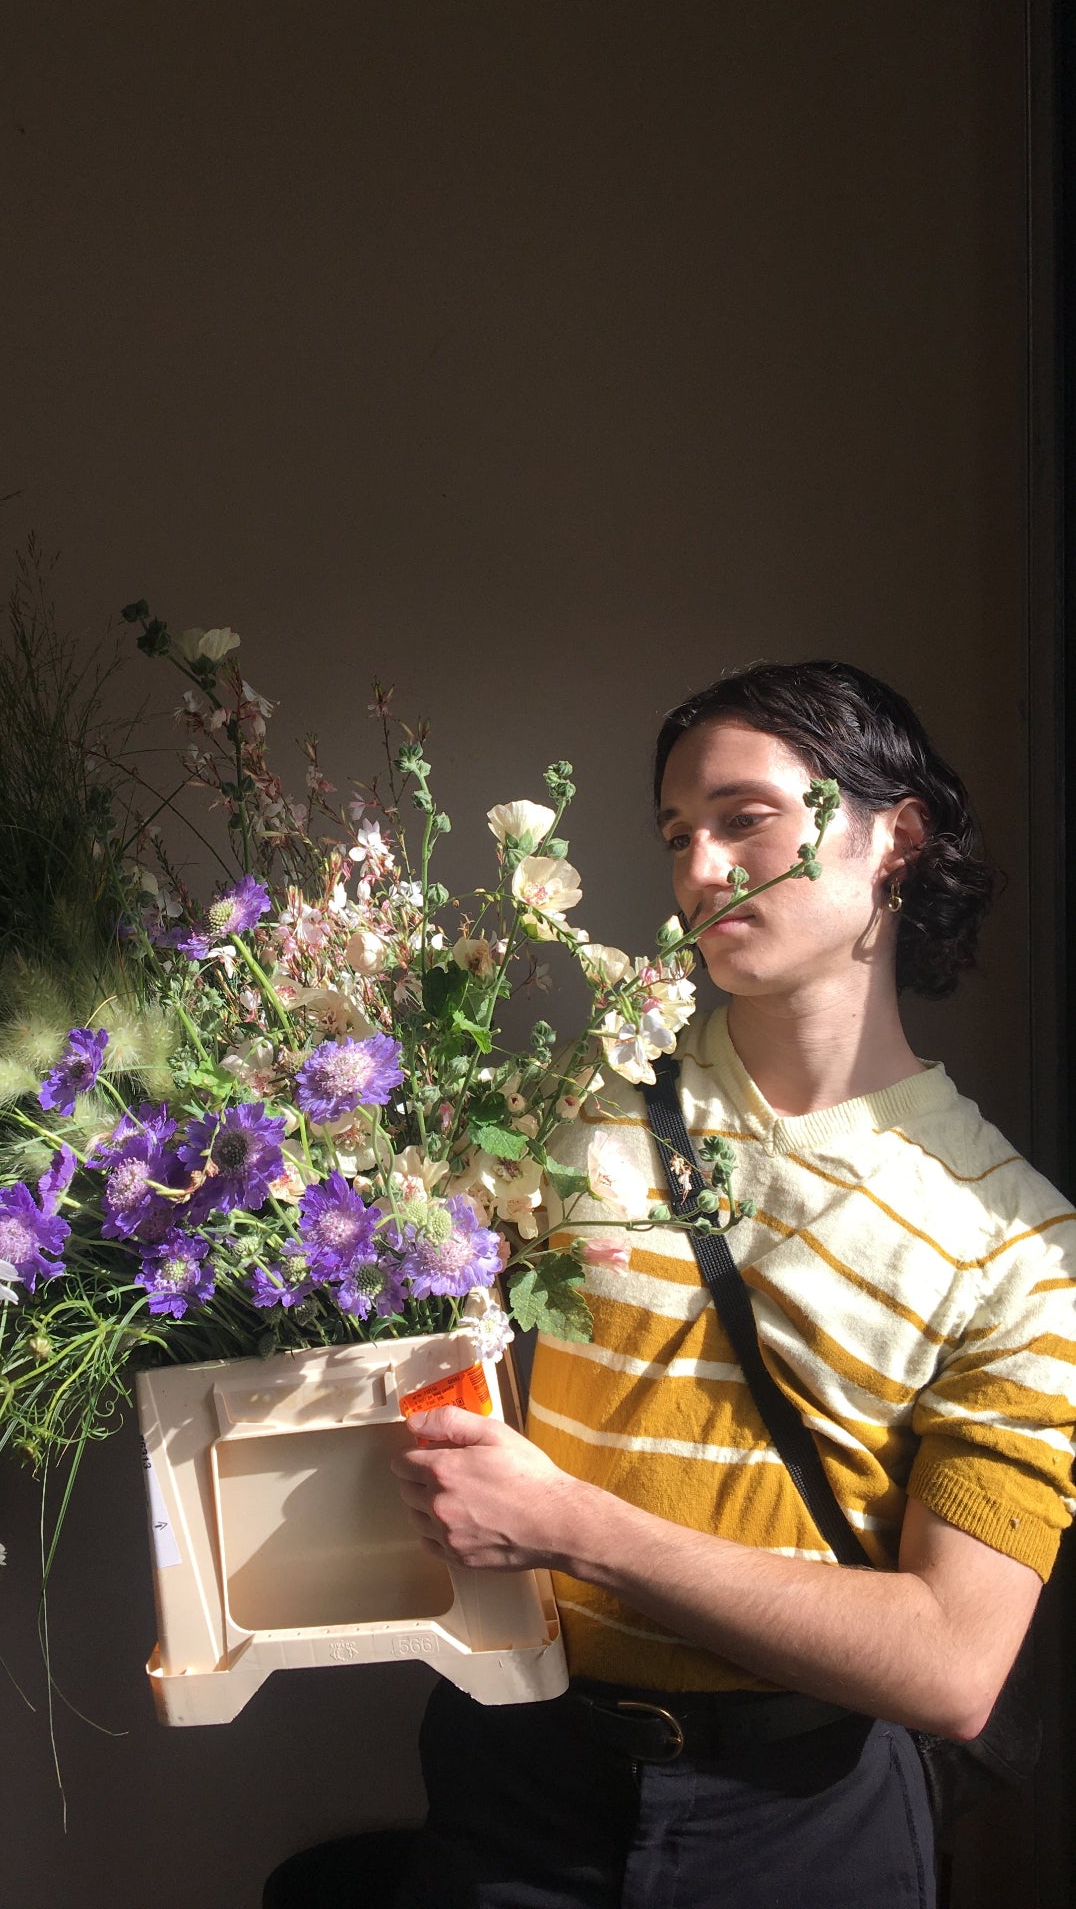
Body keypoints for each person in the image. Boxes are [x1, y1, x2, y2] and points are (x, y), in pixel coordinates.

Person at [389, 660, 1076, 1909]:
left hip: (810, 1824)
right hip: (516, 1776)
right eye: (675, 832)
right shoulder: (562, 1111)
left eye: (744, 817)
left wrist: (574, 1526)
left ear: (895, 838)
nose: (699, 869)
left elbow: (954, 1662)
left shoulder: (1018, 1240)